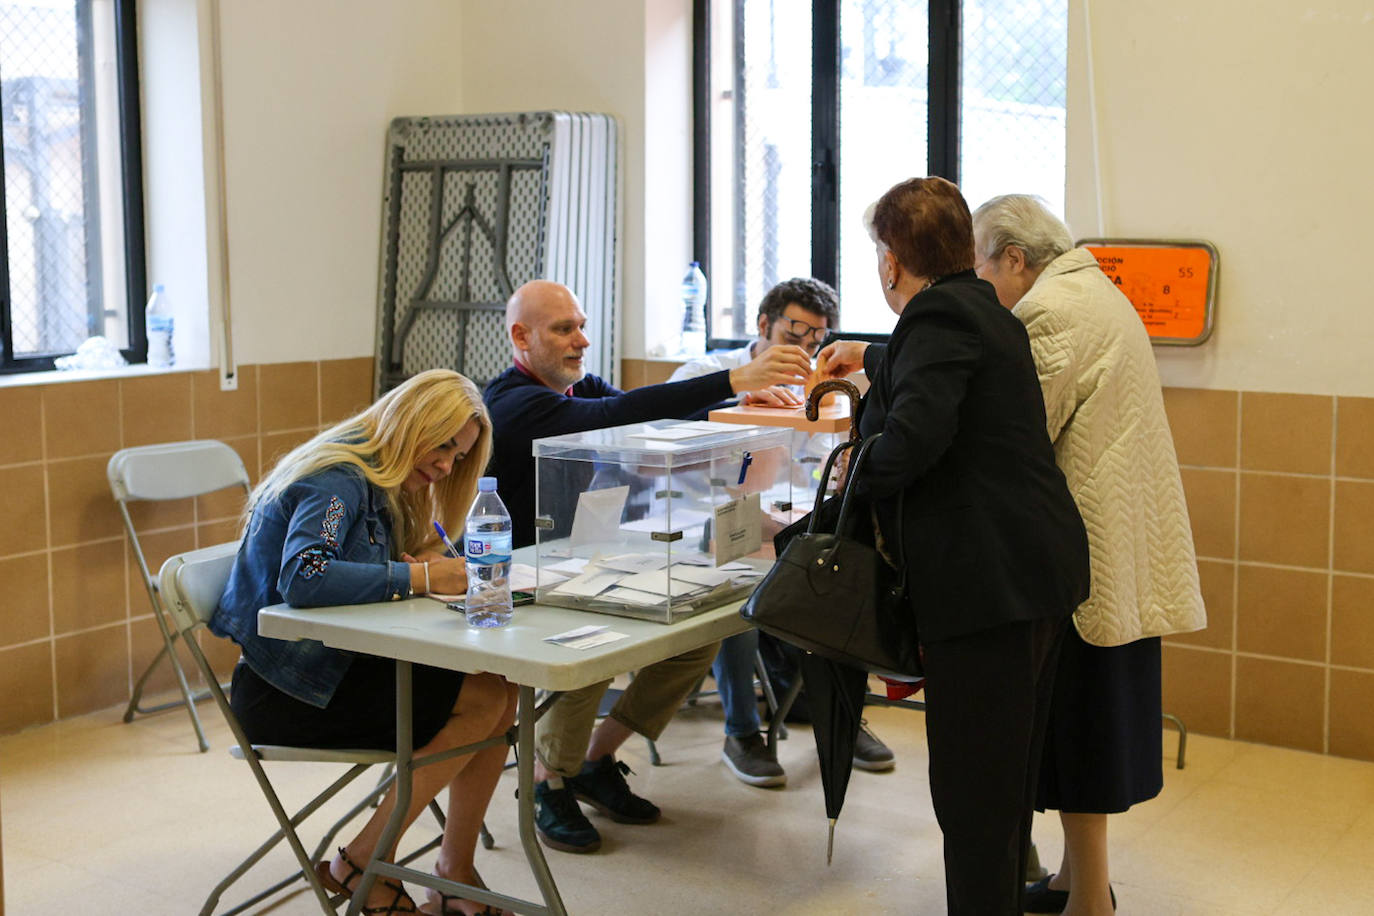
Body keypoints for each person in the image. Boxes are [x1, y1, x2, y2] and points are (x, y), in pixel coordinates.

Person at [815, 176, 1090, 915]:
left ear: (892, 262)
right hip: (1031, 576)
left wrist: (845, 471)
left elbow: (911, 444)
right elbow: (932, 378)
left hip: (987, 589)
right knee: (1000, 789)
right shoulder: (981, 310)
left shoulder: (938, 318)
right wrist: (868, 360)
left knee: (973, 800)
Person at [483, 279, 810, 854]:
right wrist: (735, 379)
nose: (582, 340)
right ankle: (545, 781)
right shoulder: (514, 402)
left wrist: (736, 410)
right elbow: (617, 412)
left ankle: (594, 757)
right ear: (520, 336)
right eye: (564, 329)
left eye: (583, 325)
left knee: (697, 634)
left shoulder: (573, 386)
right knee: (594, 645)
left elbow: (643, 421)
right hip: (522, 582)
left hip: (583, 561)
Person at [972, 194, 1206, 916]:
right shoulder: (1096, 290)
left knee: (1080, 726)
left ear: (1015, 258)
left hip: (1084, 557)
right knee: (1092, 716)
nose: (979, 287)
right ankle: (1079, 879)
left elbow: (1020, 426)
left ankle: (1091, 904)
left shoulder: (1052, 311)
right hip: (1117, 544)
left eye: (979, 265)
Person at [211, 369, 515, 916]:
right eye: (443, 445)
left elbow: (355, 574)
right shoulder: (338, 477)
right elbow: (306, 576)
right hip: (288, 693)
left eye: (459, 456)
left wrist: (417, 563)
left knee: (500, 689)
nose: (448, 465)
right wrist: (420, 579)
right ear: (409, 422)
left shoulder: (382, 481)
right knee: (487, 699)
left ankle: (452, 872)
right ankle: (364, 863)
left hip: (337, 670)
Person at [668, 277, 895, 787]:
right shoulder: (706, 373)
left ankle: (840, 718)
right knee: (739, 570)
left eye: (817, 338)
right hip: (700, 525)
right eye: (796, 332)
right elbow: (670, 447)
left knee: (839, 571)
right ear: (763, 325)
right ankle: (742, 731)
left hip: (781, 525)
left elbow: (811, 468)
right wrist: (740, 395)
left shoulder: (814, 383)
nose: (806, 348)